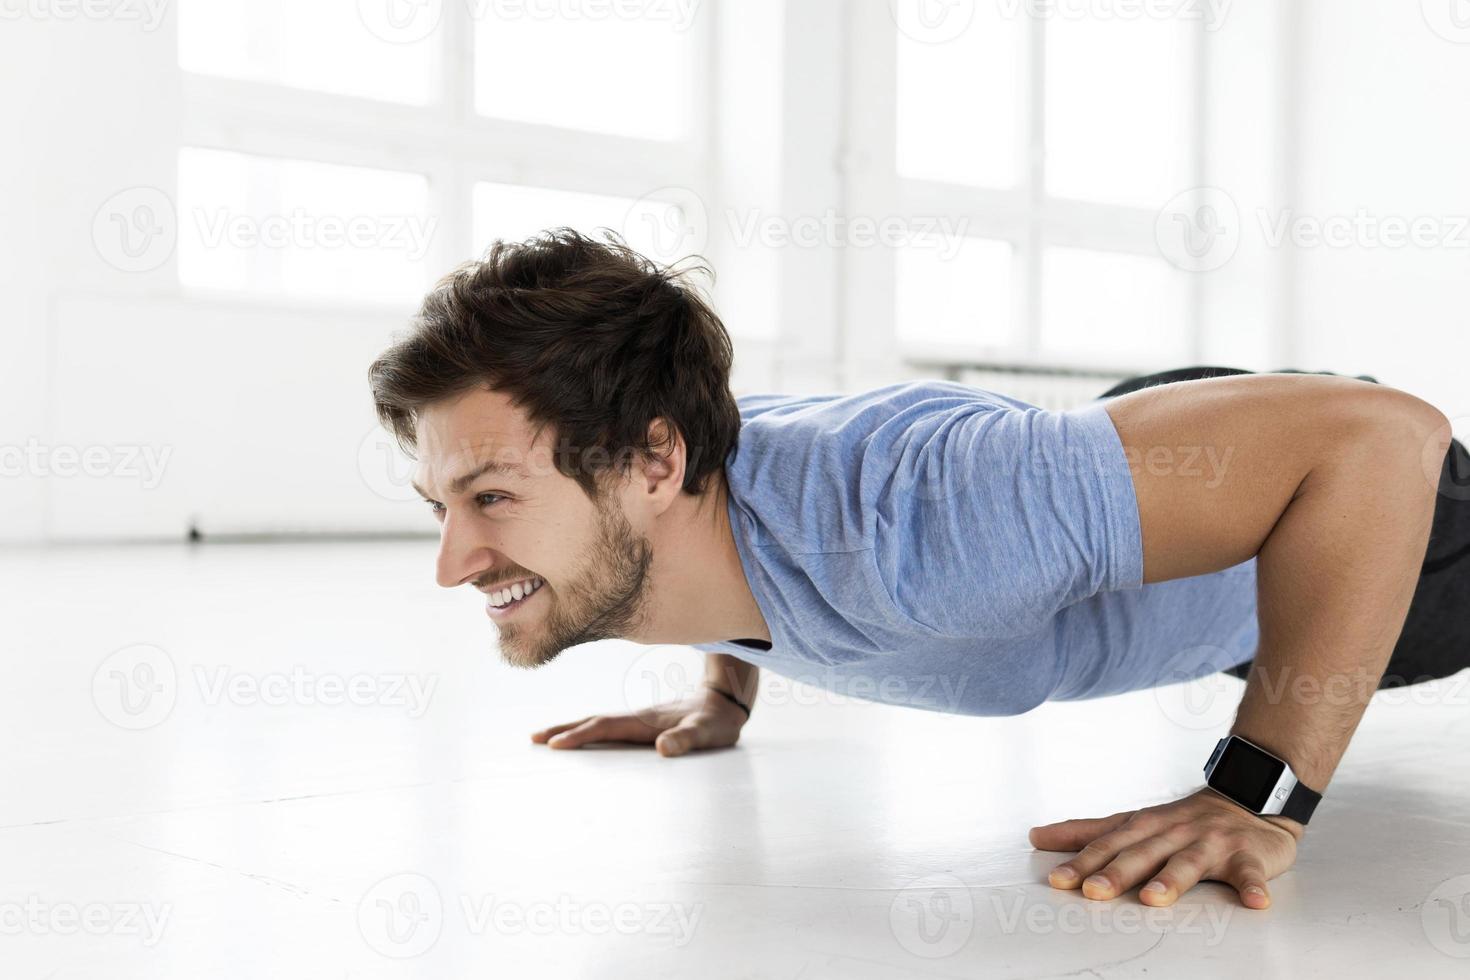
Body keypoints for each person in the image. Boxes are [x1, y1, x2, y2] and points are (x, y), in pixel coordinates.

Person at [368, 228, 1469, 911]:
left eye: (492, 497)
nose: (454, 562)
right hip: (1146, 489)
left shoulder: (926, 525)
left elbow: (1381, 442)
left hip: (1390, 537)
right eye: (441, 505)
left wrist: (1256, 797)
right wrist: (720, 682)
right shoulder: (671, 514)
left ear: (655, 458)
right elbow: (733, 524)